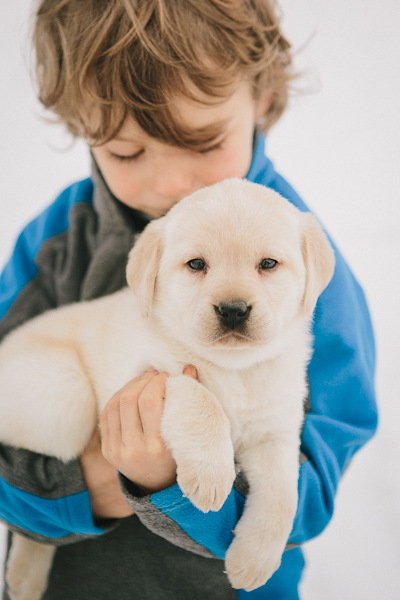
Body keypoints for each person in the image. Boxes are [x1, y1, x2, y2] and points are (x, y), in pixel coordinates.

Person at [0, 1, 377, 598]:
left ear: (261, 99)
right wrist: (79, 490)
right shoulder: (54, 242)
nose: (174, 183)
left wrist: (165, 484)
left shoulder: (306, 260)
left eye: (202, 141)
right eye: (127, 151)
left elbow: (315, 488)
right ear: (83, 126)